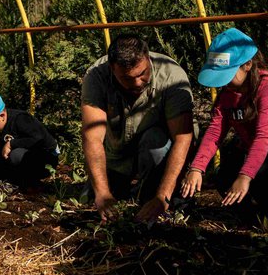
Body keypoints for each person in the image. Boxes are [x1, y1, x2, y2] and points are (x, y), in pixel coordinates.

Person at [181, 28, 268, 222]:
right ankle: (252, 220)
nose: (224, 82)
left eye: (228, 74)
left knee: (261, 180)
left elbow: (264, 137)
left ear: (247, 64)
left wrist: (245, 176)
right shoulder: (228, 94)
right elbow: (214, 132)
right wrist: (197, 168)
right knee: (224, 178)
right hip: (258, 147)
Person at [81, 34, 194, 223]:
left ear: (148, 59)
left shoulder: (171, 75)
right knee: (94, 197)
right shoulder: (96, 76)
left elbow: (183, 138)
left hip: (157, 152)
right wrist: (102, 193)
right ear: (112, 69)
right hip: (118, 154)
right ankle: (127, 186)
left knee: (155, 141)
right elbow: (92, 137)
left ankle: (154, 193)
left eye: (142, 74)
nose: (137, 83)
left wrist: (162, 197)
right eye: (126, 78)